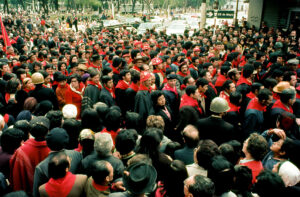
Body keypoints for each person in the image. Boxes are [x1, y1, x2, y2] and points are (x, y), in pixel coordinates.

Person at [33, 128, 83, 197]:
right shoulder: (76, 155)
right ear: (66, 141)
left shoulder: (40, 168)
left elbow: (36, 194)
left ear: (47, 143)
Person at [10, 116, 50, 194]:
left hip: (27, 192)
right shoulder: (54, 149)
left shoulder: (21, 151)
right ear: (48, 131)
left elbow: (16, 176)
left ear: (30, 132)